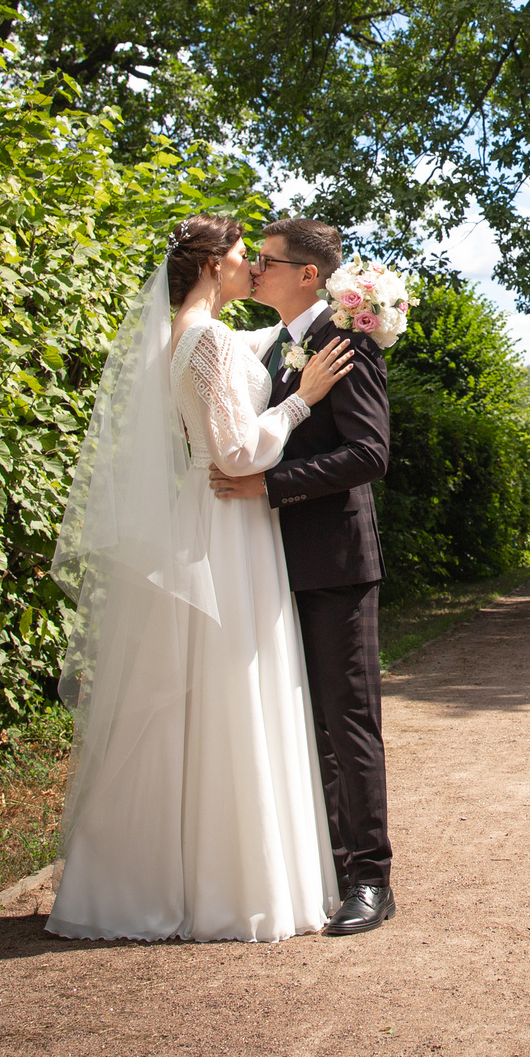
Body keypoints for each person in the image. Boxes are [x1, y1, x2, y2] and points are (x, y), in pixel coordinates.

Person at [46, 215, 356, 943]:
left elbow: (252, 355)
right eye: (245, 255)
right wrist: (304, 396)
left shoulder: (190, 332)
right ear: (215, 264)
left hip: (210, 520)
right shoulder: (207, 337)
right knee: (229, 687)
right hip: (228, 522)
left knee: (203, 696)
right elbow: (236, 449)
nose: (253, 266)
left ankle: (178, 870)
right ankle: (231, 884)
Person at [209, 216, 396, 936]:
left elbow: (368, 453)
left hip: (337, 564)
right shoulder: (291, 346)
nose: (256, 271)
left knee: (349, 721)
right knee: (312, 723)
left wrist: (270, 486)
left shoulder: (344, 342)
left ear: (309, 275)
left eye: (268, 261)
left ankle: (372, 880)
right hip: (284, 560)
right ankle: (334, 867)